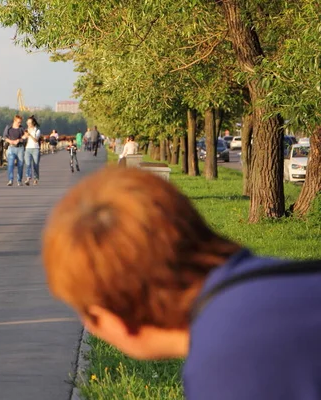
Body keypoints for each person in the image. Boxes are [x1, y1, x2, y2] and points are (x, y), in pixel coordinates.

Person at [42, 166, 321, 400]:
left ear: (121, 309)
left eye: (87, 312)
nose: (90, 326)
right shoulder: (269, 286)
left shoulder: (229, 359)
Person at [3, 115, 25, 186]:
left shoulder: (21, 128)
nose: (19, 124)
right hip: (11, 148)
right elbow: (5, 136)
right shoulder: (8, 127)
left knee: (20, 165)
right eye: (18, 122)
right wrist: (10, 141)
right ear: (14, 121)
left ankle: (19, 180)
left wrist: (19, 140)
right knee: (10, 164)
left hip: (20, 148)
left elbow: (24, 137)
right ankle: (10, 180)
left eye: (20, 122)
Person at [23, 115, 41, 186]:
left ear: (33, 123)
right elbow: (23, 138)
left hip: (35, 149)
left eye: (29, 123)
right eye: (27, 123)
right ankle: (28, 178)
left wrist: (30, 135)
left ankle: (36, 178)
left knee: (35, 165)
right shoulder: (26, 130)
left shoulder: (37, 130)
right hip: (28, 149)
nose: (28, 124)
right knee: (28, 164)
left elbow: (36, 140)